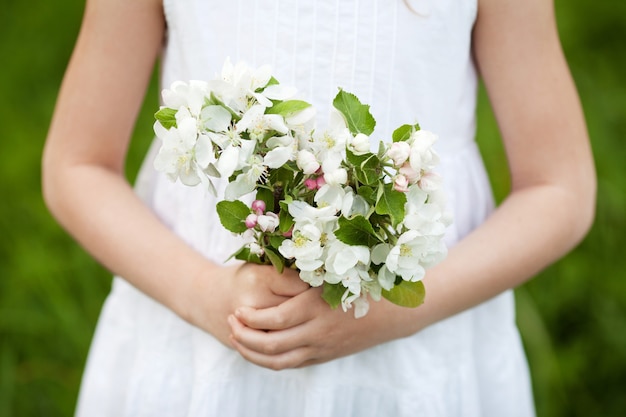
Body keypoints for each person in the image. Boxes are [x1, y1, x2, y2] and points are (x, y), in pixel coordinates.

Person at [42, 0, 595, 416]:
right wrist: (205, 295)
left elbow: (559, 188)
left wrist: (395, 310)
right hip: (197, 344)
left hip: (414, 355)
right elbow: (77, 165)